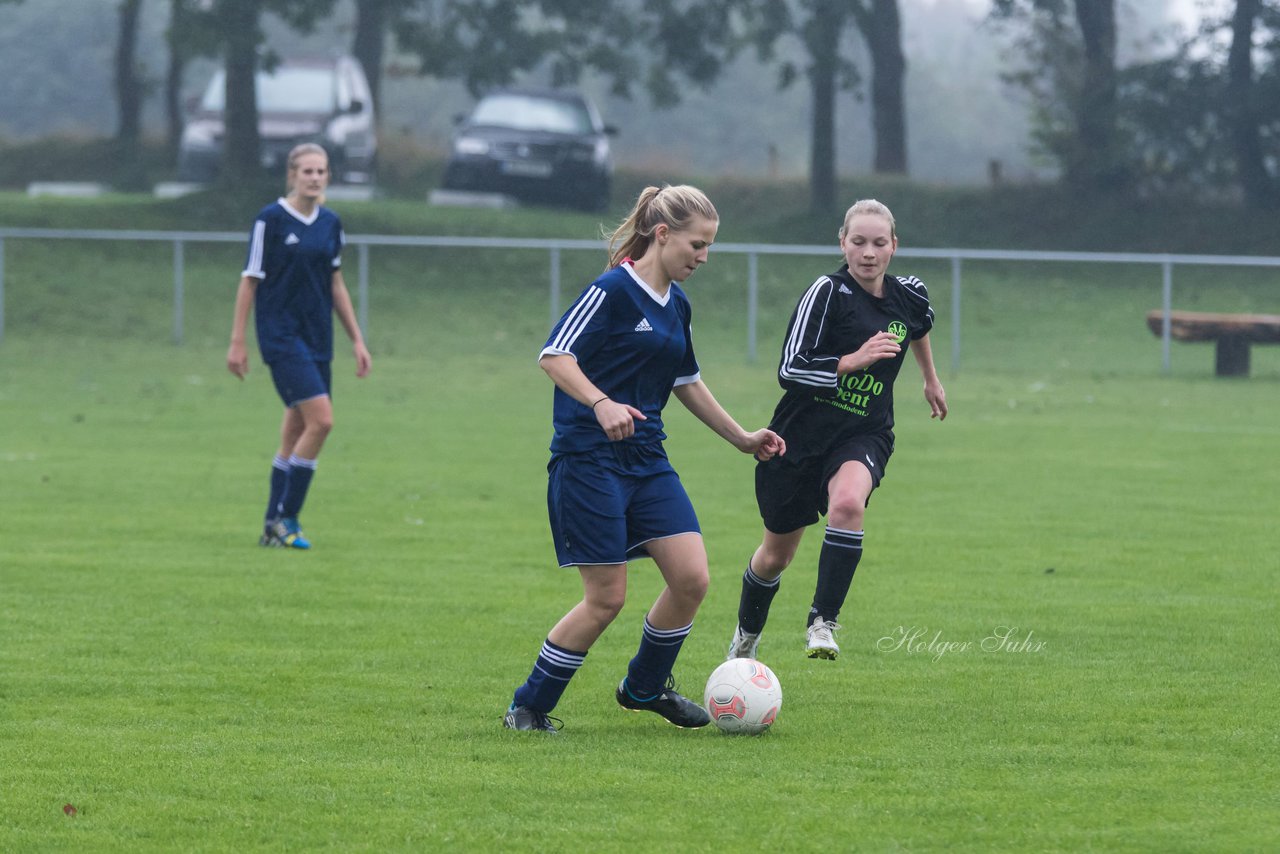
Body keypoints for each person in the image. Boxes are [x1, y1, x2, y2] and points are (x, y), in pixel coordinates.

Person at [504, 185, 786, 733]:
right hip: (588, 460)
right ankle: (529, 706)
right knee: (606, 598)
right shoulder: (611, 290)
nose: (703, 258)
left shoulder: (677, 303)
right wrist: (601, 402)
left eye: (709, 247)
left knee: (691, 579)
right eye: (697, 245)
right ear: (663, 235)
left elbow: (687, 381)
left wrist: (742, 438)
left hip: (647, 460)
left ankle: (644, 687)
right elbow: (553, 355)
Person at [727, 199, 947, 662]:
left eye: (879, 243)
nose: (869, 252)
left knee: (848, 504)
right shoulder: (826, 292)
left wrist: (930, 378)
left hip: (864, 432)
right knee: (775, 557)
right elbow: (790, 368)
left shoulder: (911, 294)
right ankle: (746, 638)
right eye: (859, 242)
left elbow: (919, 326)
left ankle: (822, 621)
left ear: (894, 246)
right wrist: (852, 361)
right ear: (842, 243)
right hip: (798, 438)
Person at [226, 142, 372, 549]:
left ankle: (271, 525)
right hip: (280, 336)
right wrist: (238, 341)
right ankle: (287, 518)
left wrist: (357, 339)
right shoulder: (269, 220)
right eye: (306, 171)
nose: (314, 177)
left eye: (321, 171)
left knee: (295, 430)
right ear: (292, 175)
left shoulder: (331, 223)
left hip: (317, 338)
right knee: (321, 421)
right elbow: (249, 279)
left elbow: (335, 284)